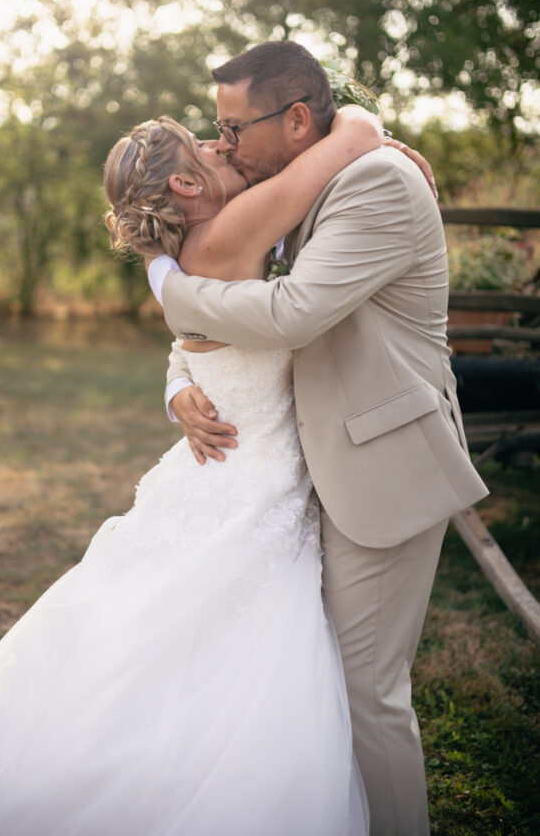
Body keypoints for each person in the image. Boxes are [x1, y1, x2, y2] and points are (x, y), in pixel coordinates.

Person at [0, 104, 427, 835]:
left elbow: (197, 338)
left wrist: (177, 385)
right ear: (188, 185)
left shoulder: (196, 248)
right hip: (249, 486)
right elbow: (330, 156)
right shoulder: (233, 228)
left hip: (221, 474)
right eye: (213, 149)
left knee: (169, 654)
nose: (229, 148)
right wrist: (361, 126)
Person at [146, 41, 489, 836]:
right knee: (308, 682)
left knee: (365, 692)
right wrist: (179, 385)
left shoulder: (374, 181)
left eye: (232, 129)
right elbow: (218, 335)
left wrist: (172, 290)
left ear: (297, 119)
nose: (221, 144)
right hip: (301, 469)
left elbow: (292, 312)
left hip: (380, 463)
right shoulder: (298, 187)